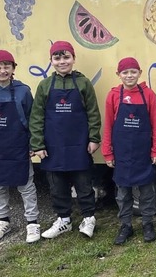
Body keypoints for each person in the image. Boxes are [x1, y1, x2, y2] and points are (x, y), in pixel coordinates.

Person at [29, 41, 102, 239]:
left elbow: (93, 113)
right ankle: (64, 220)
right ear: (51, 61)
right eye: (57, 58)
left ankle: (89, 218)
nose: (62, 62)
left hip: (79, 144)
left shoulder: (83, 83)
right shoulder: (45, 86)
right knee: (57, 186)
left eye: (66, 57)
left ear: (73, 58)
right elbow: (36, 117)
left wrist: (94, 138)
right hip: (52, 146)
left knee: (84, 185)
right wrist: (38, 144)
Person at [0, 50, 40, 243]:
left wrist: (32, 144)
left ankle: (32, 223)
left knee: (26, 186)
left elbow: (32, 120)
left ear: (13, 69)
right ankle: (3, 221)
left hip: (18, 146)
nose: (2, 71)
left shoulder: (23, 91)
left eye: (6, 66)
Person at [102, 57, 156, 245]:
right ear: (118, 75)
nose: (129, 76)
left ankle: (147, 224)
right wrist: (107, 152)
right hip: (121, 154)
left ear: (139, 73)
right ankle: (125, 225)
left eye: (133, 72)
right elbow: (108, 126)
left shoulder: (149, 95)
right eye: (125, 72)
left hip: (143, 153)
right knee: (123, 193)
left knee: (146, 192)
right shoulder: (113, 96)